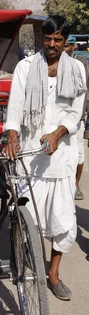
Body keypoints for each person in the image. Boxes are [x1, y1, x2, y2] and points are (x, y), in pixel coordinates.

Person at [4, 15, 86, 300]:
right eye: (47, 39)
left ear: (66, 41)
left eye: (58, 40)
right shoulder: (26, 67)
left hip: (61, 157)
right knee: (28, 218)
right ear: (42, 38)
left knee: (62, 222)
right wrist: (12, 136)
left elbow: (76, 112)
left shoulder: (76, 69)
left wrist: (58, 133)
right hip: (30, 156)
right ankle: (29, 263)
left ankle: (53, 274)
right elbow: (14, 108)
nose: (51, 45)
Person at [64, 36, 89, 200]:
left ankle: (76, 184)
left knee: (79, 154)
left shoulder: (82, 64)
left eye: (67, 45)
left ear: (73, 47)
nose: (64, 49)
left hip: (79, 115)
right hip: (59, 115)